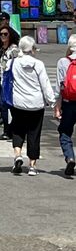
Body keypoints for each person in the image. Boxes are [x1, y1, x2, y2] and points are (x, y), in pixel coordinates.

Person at [8, 34, 55, 176]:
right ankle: (32, 166)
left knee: (17, 130)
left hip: (18, 103)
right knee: (34, 133)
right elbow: (45, 84)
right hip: (36, 104)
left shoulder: (12, 63)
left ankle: (17, 155)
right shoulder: (38, 64)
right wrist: (52, 101)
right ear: (32, 49)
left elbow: (5, 78)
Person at [0, 17, 20, 140]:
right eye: (1, 34)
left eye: (5, 34)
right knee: (3, 104)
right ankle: (8, 129)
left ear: (10, 35)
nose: (3, 36)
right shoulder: (3, 48)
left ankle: (8, 131)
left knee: (6, 106)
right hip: (2, 79)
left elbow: (16, 65)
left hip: (9, 82)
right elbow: (1, 65)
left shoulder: (13, 49)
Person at [54, 32, 76, 178]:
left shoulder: (63, 62)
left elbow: (60, 87)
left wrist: (57, 106)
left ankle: (70, 157)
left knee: (65, 131)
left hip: (69, 103)